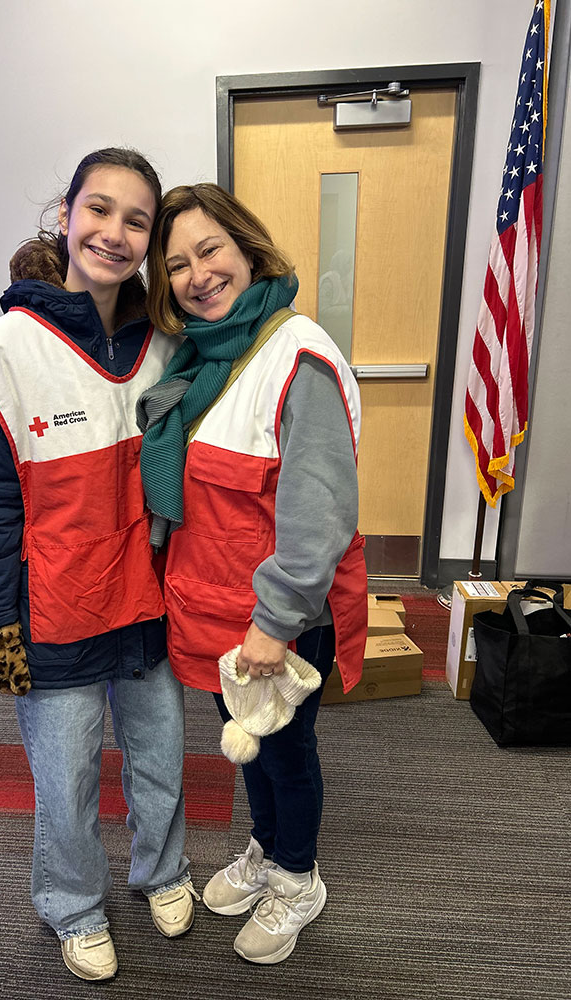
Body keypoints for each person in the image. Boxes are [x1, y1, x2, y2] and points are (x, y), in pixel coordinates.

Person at [0, 149, 196, 983]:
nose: (115, 233)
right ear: (66, 213)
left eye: (137, 220)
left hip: (149, 600)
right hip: (51, 609)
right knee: (67, 779)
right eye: (100, 209)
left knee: (161, 757)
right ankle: (74, 906)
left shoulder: (168, 342)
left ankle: (163, 871)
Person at [138, 184, 368, 965]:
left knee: (287, 753)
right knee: (251, 751)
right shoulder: (206, 360)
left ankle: (299, 880)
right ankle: (267, 850)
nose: (198, 275)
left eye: (210, 251)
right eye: (176, 266)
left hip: (277, 620)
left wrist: (275, 624)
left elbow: (319, 513)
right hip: (213, 612)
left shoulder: (296, 354)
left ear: (247, 248)